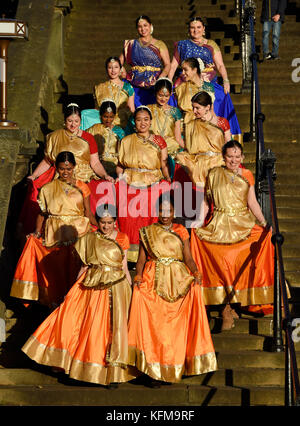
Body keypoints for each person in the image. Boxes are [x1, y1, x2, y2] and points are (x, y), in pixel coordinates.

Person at [22, 203, 135, 387]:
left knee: (114, 330)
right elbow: (84, 267)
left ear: (115, 222)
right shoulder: (89, 239)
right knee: (90, 327)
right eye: (102, 222)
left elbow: (124, 268)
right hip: (92, 285)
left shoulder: (122, 238)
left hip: (117, 287)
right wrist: (72, 290)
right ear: (97, 221)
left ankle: (113, 374)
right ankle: (88, 368)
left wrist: (131, 290)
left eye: (109, 222)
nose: (106, 226)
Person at [127, 193, 217, 385]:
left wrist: (195, 272)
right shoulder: (147, 231)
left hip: (178, 279)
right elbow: (141, 259)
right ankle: (152, 369)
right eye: (161, 210)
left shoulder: (181, 231)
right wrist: (138, 275)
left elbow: (188, 257)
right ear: (156, 211)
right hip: (154, 277)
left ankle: (175, 365)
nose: (165, 214)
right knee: (155, 325)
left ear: (174, 212)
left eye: (168, 210)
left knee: (174, 327)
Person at [190, 141, 275, 330]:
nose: (234, 160)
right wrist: (197, 221)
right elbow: (206, 203)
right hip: (218, 224)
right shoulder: (213, 174)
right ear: (223, 157)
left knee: (256, 246)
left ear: (243, 158)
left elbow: (252, 202)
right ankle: (225, 304)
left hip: (243, 223)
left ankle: (238, 301)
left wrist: (264, 222)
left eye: (237, 157)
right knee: (222, 257)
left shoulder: (247, 175)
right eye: (230, 157)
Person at [11, 151, 97, 309]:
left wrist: (99, 228)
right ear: (56, 168)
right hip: (54, 234)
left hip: (78, 233)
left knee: (75, 269)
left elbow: (88, 212)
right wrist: (37, 232)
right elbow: (42, 213)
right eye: (62, 168)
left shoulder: (82, 187)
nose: (65, 172)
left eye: (69, 168)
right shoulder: (47, 188)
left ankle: (73, 304)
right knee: (55, 270)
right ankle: (54, 303)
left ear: (74, 168)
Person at [18, 103, 113, 236]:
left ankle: (99, 231)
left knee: (106, 191)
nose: (73, 125)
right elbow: (47, 161)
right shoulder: (54, 137)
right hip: (59, 176)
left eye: (76, 121)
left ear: (80, 121)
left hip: (83, 178)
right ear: (64, 121)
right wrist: (34, 176)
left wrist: (105, 175)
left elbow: (95, 163)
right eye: (69, 121)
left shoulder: (88, 138)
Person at [168, 17, 241, 141]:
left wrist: (226, 80)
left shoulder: (211, 44)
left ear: (204, 29)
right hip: (186, 82)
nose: (195, 30)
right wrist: (168, 82)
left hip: (208, 81)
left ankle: (218, 138)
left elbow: (220, 65)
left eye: (198, 27)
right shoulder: (182, 45)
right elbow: (174, 65)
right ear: (188, 30)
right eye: (192, 27)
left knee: (221, 97)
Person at [116, 106, 171, 262]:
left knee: (152, 217)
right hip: (130, 181)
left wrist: (167, 178)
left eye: (146, 119)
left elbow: (164, 163)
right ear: (134, 122)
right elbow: (120, 165)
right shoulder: (126, 141)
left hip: (152, 181)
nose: (142, 123)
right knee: (128, 220)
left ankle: (151, 252)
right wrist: (118, 178)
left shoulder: (158, 141)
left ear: (151, 122)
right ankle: (130, 256)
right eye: (139, 120)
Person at [175, 91, 229, 188]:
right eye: (193, 107)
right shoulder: (191, 125)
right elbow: (188, 148)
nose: (194, 111)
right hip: (197, 165)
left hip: (217, 163)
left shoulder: (221, 123)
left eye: (197, 108)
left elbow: (228, 145)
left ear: (207, 107)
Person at [119, 15, 171, 107]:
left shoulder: (159, 44)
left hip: (154, 85)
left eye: (145, 25)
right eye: (140, 26)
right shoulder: (131, 44)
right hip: (134, 84)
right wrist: (123, 71)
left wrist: (160, 80)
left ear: (150, 26)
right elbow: (118, 63)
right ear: (137, 28)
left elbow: (167, 65)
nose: (143, 29)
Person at [81, 57, 135, 130]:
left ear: (120, 69)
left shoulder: (127, 87)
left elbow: (131, 109)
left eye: (116, 67)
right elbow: (97, 110)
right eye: (110, 67)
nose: (113, 70)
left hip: (121, 120)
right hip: (104, 119)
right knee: (84, 114)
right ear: (106, 69)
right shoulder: (99, 88)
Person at [86, 99, 125, 178]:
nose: (108, 120)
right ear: (100, 115)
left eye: (111, 117)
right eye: (105, 117)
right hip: (97, 166)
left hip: (115, 167)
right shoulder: (94, 129)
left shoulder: (119, 131)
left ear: (115, 116)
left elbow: (123, 152)